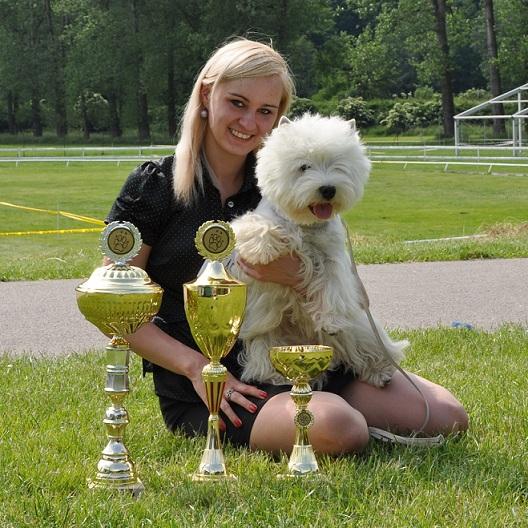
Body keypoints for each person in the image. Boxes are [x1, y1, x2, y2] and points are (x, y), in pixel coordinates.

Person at [106, 38, 468, 455]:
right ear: (207, 95)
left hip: (310, 354)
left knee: (447, 417)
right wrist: (196, 368)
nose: (250, 122)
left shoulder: (291, 182)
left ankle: (327, 398)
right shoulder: (153, 187)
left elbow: (355, 298)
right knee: (340, 429)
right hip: (219, 382)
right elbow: (117, 309)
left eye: (266, 111)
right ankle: (323, 411)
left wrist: (296, 277)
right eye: (238, 103)